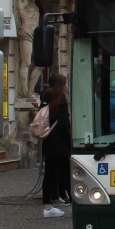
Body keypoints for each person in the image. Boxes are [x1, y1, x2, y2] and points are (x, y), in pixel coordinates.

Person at [41, 75, 72, 218]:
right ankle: (73, 201)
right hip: (60, 142)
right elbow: (64, 123)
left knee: (49, 173)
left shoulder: (45, 97)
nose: (67, 85)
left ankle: (47, 206)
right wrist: (69, 140)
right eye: (66, 83)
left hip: (48, 140)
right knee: (66, 173)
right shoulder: (62, 99)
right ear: (62, 84)